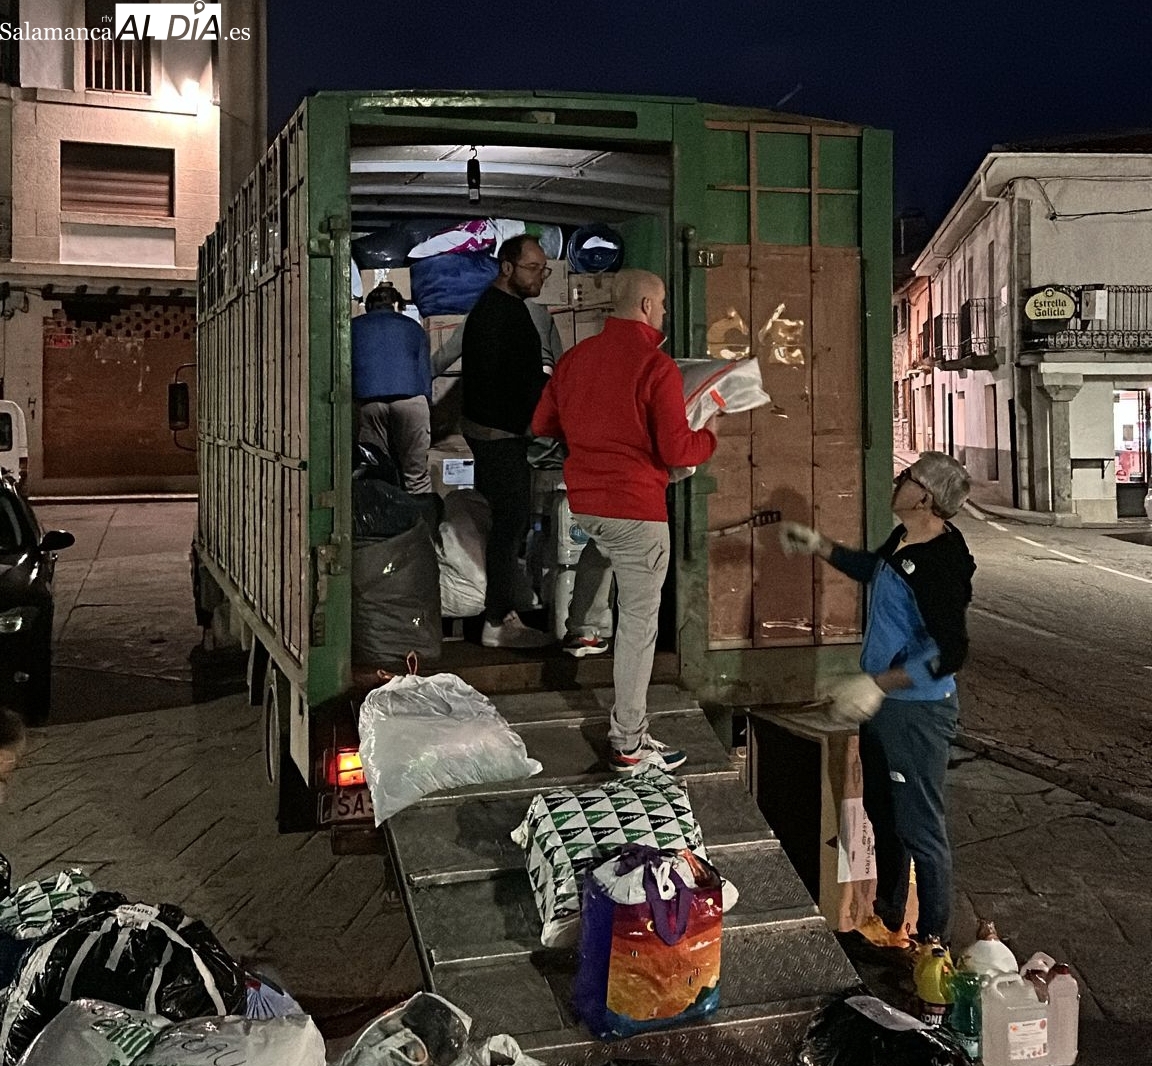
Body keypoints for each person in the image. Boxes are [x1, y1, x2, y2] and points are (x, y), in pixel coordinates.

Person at [779, 451, 976, 945]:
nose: (898, 479)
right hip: (886, 707)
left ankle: (932, 944)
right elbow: (875, 568)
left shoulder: (939, 563)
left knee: (920, 828)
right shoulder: (906, 539)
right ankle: (891, 919)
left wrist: (877, 684)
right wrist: (820, 545)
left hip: (917, 712)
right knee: (883, 813)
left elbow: (949, 651)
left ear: (925, 498)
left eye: (908, 477)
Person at [532, 269, 717, 773]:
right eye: (661, 304)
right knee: (638, 624)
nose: (664, 313)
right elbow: (677, 449)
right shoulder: (656, 367)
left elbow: (542, 423)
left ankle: (583, 630)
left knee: (602, 546)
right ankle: (629, 742)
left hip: (587, 503)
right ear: (645, 305)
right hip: (636, 507)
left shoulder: (574, 360)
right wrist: (710, 437)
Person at [461, 235, 553, 649]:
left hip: (501, 432)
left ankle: (503, 611)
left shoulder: (505, 308)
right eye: (533, 268)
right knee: (509, 525)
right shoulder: (496, 313)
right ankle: (496, 621)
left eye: (543, 269)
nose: (540, 277)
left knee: (507, 524)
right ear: (507, 267)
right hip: (499, 435)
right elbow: (501, 377)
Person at [352, 283, 433, 494]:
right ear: (396, 305)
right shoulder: (413, 327)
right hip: (410, 401)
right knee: (416, 475)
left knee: (378, 468)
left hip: (369, 403)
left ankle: (384, 510)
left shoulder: (353, 326)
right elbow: (425, 371)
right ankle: (422, 512)